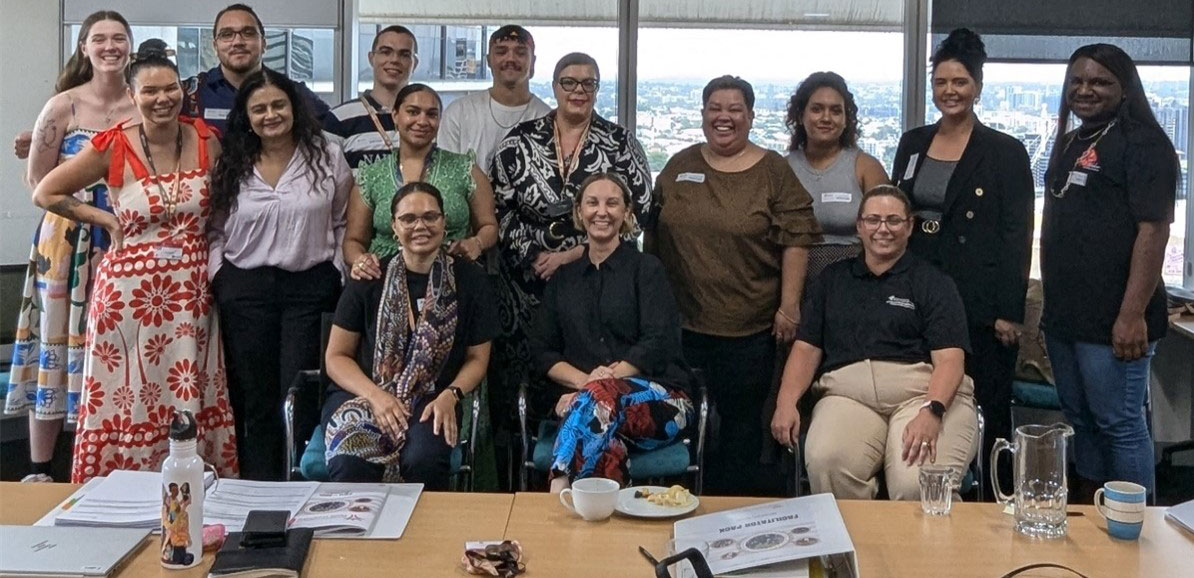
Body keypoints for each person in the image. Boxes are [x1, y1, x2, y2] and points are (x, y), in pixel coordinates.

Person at [31, 42, 238, 483]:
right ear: (132, 94)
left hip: (189, 295)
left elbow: (224, 210)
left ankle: (192, 487)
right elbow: (45, 191)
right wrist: (102, 216)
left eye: (170, 89)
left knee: (185, 387)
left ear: (182, 90)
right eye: (149, 92)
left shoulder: (206, 140)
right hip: (126, 299)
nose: (162, 99)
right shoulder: (113, 145)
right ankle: (121, 491)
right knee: (128, 395)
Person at [645, 75, 822, 496]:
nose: (724, 117)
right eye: (715, 109)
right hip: (682, 324)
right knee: (678, 417)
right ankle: (677, 500)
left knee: (741, 427)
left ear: (751, 117)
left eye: (734, 109)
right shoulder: (679, 164)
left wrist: (789, 307)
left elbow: (797, 239)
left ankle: (727, 509)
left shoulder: (773, 171)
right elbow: (653, 234)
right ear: (704, 114)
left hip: (751, 326)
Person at [890, 29, 1034, 492]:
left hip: (981, 299)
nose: (949, 91)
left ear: (978, 87)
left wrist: (1010, 309)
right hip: (920, 290)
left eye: (960, 82)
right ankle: (928, 488)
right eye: (941, 82)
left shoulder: (1005, 152)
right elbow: (900, 210)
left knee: (988, 403)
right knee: (926, 397)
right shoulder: (912, 142)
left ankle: (995, 497)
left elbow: (1018, 233)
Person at [770, 185, 979, 501]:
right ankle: (855, 550)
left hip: (921, 396)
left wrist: (932, 411)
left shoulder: (933, 282)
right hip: (848, 396)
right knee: (828, 461)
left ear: (909, 226)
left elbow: (950, 360)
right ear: (859, 226)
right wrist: (786, 403)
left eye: (894, 220)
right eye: (873, 220)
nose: (883, 229)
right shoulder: (833, 279)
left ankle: (917, 552)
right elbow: (806, 349)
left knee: (916, 484)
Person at [4, 11, 137, 483]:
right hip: (64, 240)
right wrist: (86, 209)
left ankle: (106, 461)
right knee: (56, 343)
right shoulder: (62, 107)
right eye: (99, 39)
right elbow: (37, 180)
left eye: (118, 38)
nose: (109, 46)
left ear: (130, 46)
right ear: (84, 47)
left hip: (124, 238)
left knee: (114, 348)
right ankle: (40, 469)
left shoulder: (141, 102)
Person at [489, 52, 652, 434]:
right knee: (524, 375)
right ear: (554, 86)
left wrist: (575, 254)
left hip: (594, 277)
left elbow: (639, 212)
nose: (578, 91)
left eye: (588, 83)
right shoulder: (519, 141)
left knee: (588, 363)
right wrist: (535, 254)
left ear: (597, 89)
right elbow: (498, 208)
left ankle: (591, 447)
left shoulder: (620, 143)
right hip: (524, 285)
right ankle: (525, 471)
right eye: (569, 82)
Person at [1041, 44, 1177, 500]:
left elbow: (1153, 232)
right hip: (1066, 316)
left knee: (1119, 423)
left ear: (1125, 89)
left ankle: (1138, 531)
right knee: (1082, 421)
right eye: (1076, 81)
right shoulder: (1074, 138)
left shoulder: (1144, 143)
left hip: (1116, 318)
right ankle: (1097, 520)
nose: (1084, 90)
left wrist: (1132, 313)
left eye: (1099, 82)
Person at [208, 68, 352, 481]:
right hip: (245, 289)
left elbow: (342, 220)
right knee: (254, 398)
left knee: (299, 392)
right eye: (259, 109)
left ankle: (298, 485)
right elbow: (214, 228)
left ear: (294, 107)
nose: (270, 115)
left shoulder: (326, 155)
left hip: (309, 288)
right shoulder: (230, 160)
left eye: (278, 105)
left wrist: (337, 270)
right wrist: (222, 278)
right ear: (246, 116)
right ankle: (259, 488)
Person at [322, 182, 499, 487]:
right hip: (363, 393)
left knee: (424, 460)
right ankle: (355, 534)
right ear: (394, 227)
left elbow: (477, 359)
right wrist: (377, 397)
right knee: (351, 460)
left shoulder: (471, 280)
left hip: (433, 399)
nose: (421, 226)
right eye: (409, 218)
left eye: (431, 217)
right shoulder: (370, 275)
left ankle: (425, 536)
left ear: (445, 223)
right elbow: (336, 357)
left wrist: (451, 395)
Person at [529, 173, 694, 493]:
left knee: (595, 406)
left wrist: (598, 388)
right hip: (589, 406)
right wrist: (587, 384)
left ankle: (559, 483)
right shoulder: (564, 279)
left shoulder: (647, 270)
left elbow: (657, 341)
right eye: (592, 203)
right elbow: (541, 350)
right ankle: (607, 534)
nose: (601, 211)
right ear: (579, 212)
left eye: (612, 203)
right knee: (604, 441)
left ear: (626, 213)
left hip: (662, 402)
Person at [344, 83, 498, 277]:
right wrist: (361, 261)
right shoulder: (372, 175)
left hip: (453, 279)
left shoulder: (465, 170)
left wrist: (476, 243)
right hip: (383, 280)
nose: (422, 121)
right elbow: (353, 241)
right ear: (395, 116)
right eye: (413, 112)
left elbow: (489, 226)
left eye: (431, 114)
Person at [785, 71, 889, 284]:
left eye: (835, 111)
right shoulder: (784, 168)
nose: (826, 118)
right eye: (816, 109)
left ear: (846, 120)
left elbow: (888, 233)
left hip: (857, 286)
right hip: (795, 287)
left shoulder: (866, 167)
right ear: (800, 116)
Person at [183, 3, 330, 135]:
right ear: (215, 46)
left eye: (248, 33)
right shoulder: (190, 95)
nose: (238, 42)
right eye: (227, 34)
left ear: (264, 43)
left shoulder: (293, 93)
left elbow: (332, 138)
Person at [439, 25, 551, 173]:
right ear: (488, 61)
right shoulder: (458, 113)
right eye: (501, 52)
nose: (510, 58)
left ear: (533, 62)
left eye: (521, 52)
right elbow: (447, 178)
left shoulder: (547, 120)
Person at [323, 25, 418, 171]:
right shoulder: (339, 119)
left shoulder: (428, 119)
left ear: (415, 63)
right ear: (371, 58)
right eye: (386, 52)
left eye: (404, 54)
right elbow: (325, 181)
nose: (394, 60)